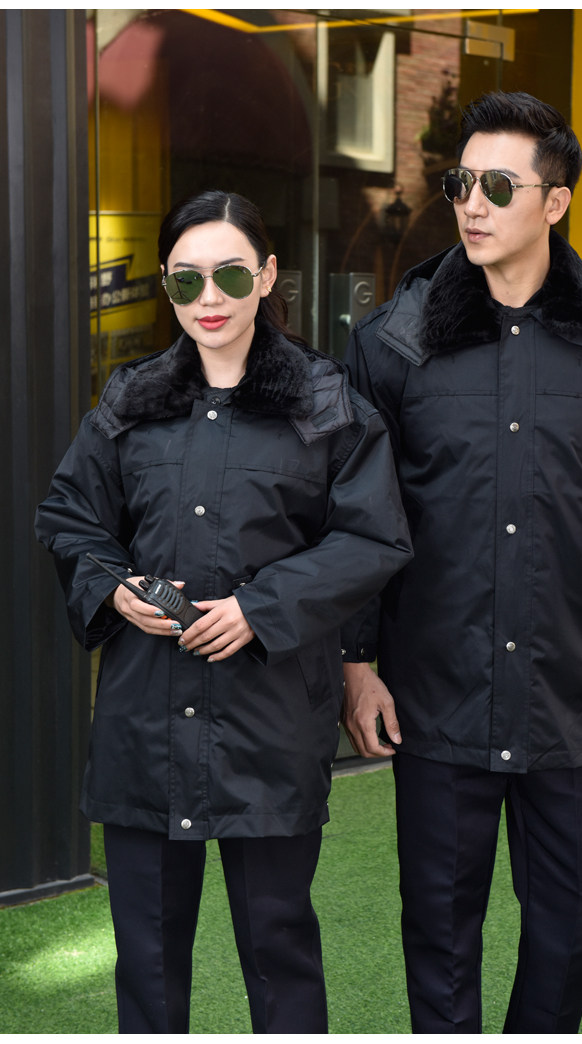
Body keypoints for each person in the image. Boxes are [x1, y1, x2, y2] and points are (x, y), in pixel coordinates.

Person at [341, 91, 582, 1033]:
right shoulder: (391, 343)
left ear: (556, 202)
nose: (472, 204)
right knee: (440, 938)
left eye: (499, 187)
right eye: (462, 183)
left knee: (575, 923)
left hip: (572, 699)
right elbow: (355, 512)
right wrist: (355, 663)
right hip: (437, 700)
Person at [35, 190, 412, 1035]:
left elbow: (373, 538)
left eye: (232, 275)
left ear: (267, 276)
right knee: (148, 961)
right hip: (143, 721)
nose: (210, 298)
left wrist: (258, 608)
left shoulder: (326, 401)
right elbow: (69, 518)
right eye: (187, 279)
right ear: (166, 284)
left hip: (269, 723)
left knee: (280, 951)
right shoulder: (131, 399)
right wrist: (114, 588)